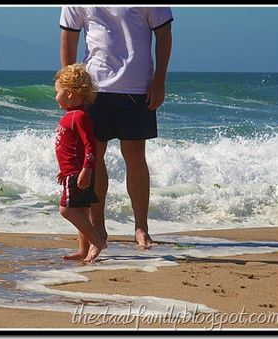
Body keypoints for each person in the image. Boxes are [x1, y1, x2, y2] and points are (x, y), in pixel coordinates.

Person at [59, 7, 173, 248]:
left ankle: (141, 227)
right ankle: (98, 227)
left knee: (134, 155)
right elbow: (69, 34)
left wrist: (159, 80)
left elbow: (164, 33)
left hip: (137, 86)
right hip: (94, 87)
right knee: (94, 157)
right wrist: (70, 87)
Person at [54, 63, 106, 262]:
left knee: (66, 209)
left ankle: (97, 240)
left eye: (57, 92)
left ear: (69, 93)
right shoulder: (71, 115)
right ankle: (83, 251)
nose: (55, 96)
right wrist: (63, 170)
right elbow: (69, 148)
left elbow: (90, 146)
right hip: (72, 171)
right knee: (82, 212)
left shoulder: (79, 116)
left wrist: (86, 169)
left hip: (78, 174)